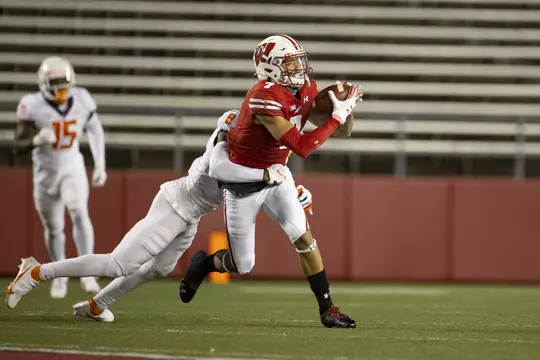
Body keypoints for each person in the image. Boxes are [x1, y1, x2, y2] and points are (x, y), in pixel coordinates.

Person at [6, 110, 313, 323]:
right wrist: (270, 178)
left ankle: (96, 305)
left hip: (193, 214)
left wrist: (291, 190)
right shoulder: (228, 139)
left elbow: (266, 176)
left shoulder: (257, 145)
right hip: (178, 204)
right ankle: (36, 272)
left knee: (158, 269)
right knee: (118, 264)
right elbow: (235, 173)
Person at [179, 35, 362, 328]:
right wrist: (335, 119)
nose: (298, 67)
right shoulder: (262, 95)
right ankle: (204, 264)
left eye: (298, 60)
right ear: (270, 67)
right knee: (243, 264)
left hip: (277, 174)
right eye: (290, 61)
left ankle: (328, 309)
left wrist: (345, 111)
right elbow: (302, 146)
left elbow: (340, 133)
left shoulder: (304, 89)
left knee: (304, 237)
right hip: (244, 184)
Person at [13, 56, 107, 298]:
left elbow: (95, 129)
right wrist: (35, 140)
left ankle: (88, 274)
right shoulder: (31, 105)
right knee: (54, 228)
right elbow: (17, 146)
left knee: (79, 212)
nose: (62, 89)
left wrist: (100, 164)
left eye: (64, 83)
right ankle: (59, 276)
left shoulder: (82, 98)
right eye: (55, 83)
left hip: (72, 165)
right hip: (45, 173)